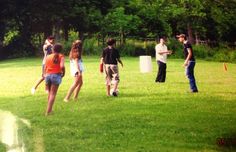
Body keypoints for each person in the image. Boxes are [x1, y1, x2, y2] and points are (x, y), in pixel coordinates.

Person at [44, 43, 65, 116]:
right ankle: (48, 112)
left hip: (47, 75)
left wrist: (44, 74)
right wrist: (64, 72)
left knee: (50, 93)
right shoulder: (61, 56)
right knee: (53, 94)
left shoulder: (48, 56)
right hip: (56, 75)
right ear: (60, 50)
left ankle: (50, 109)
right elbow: (62, 66)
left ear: (53, 49)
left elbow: (45, 67)